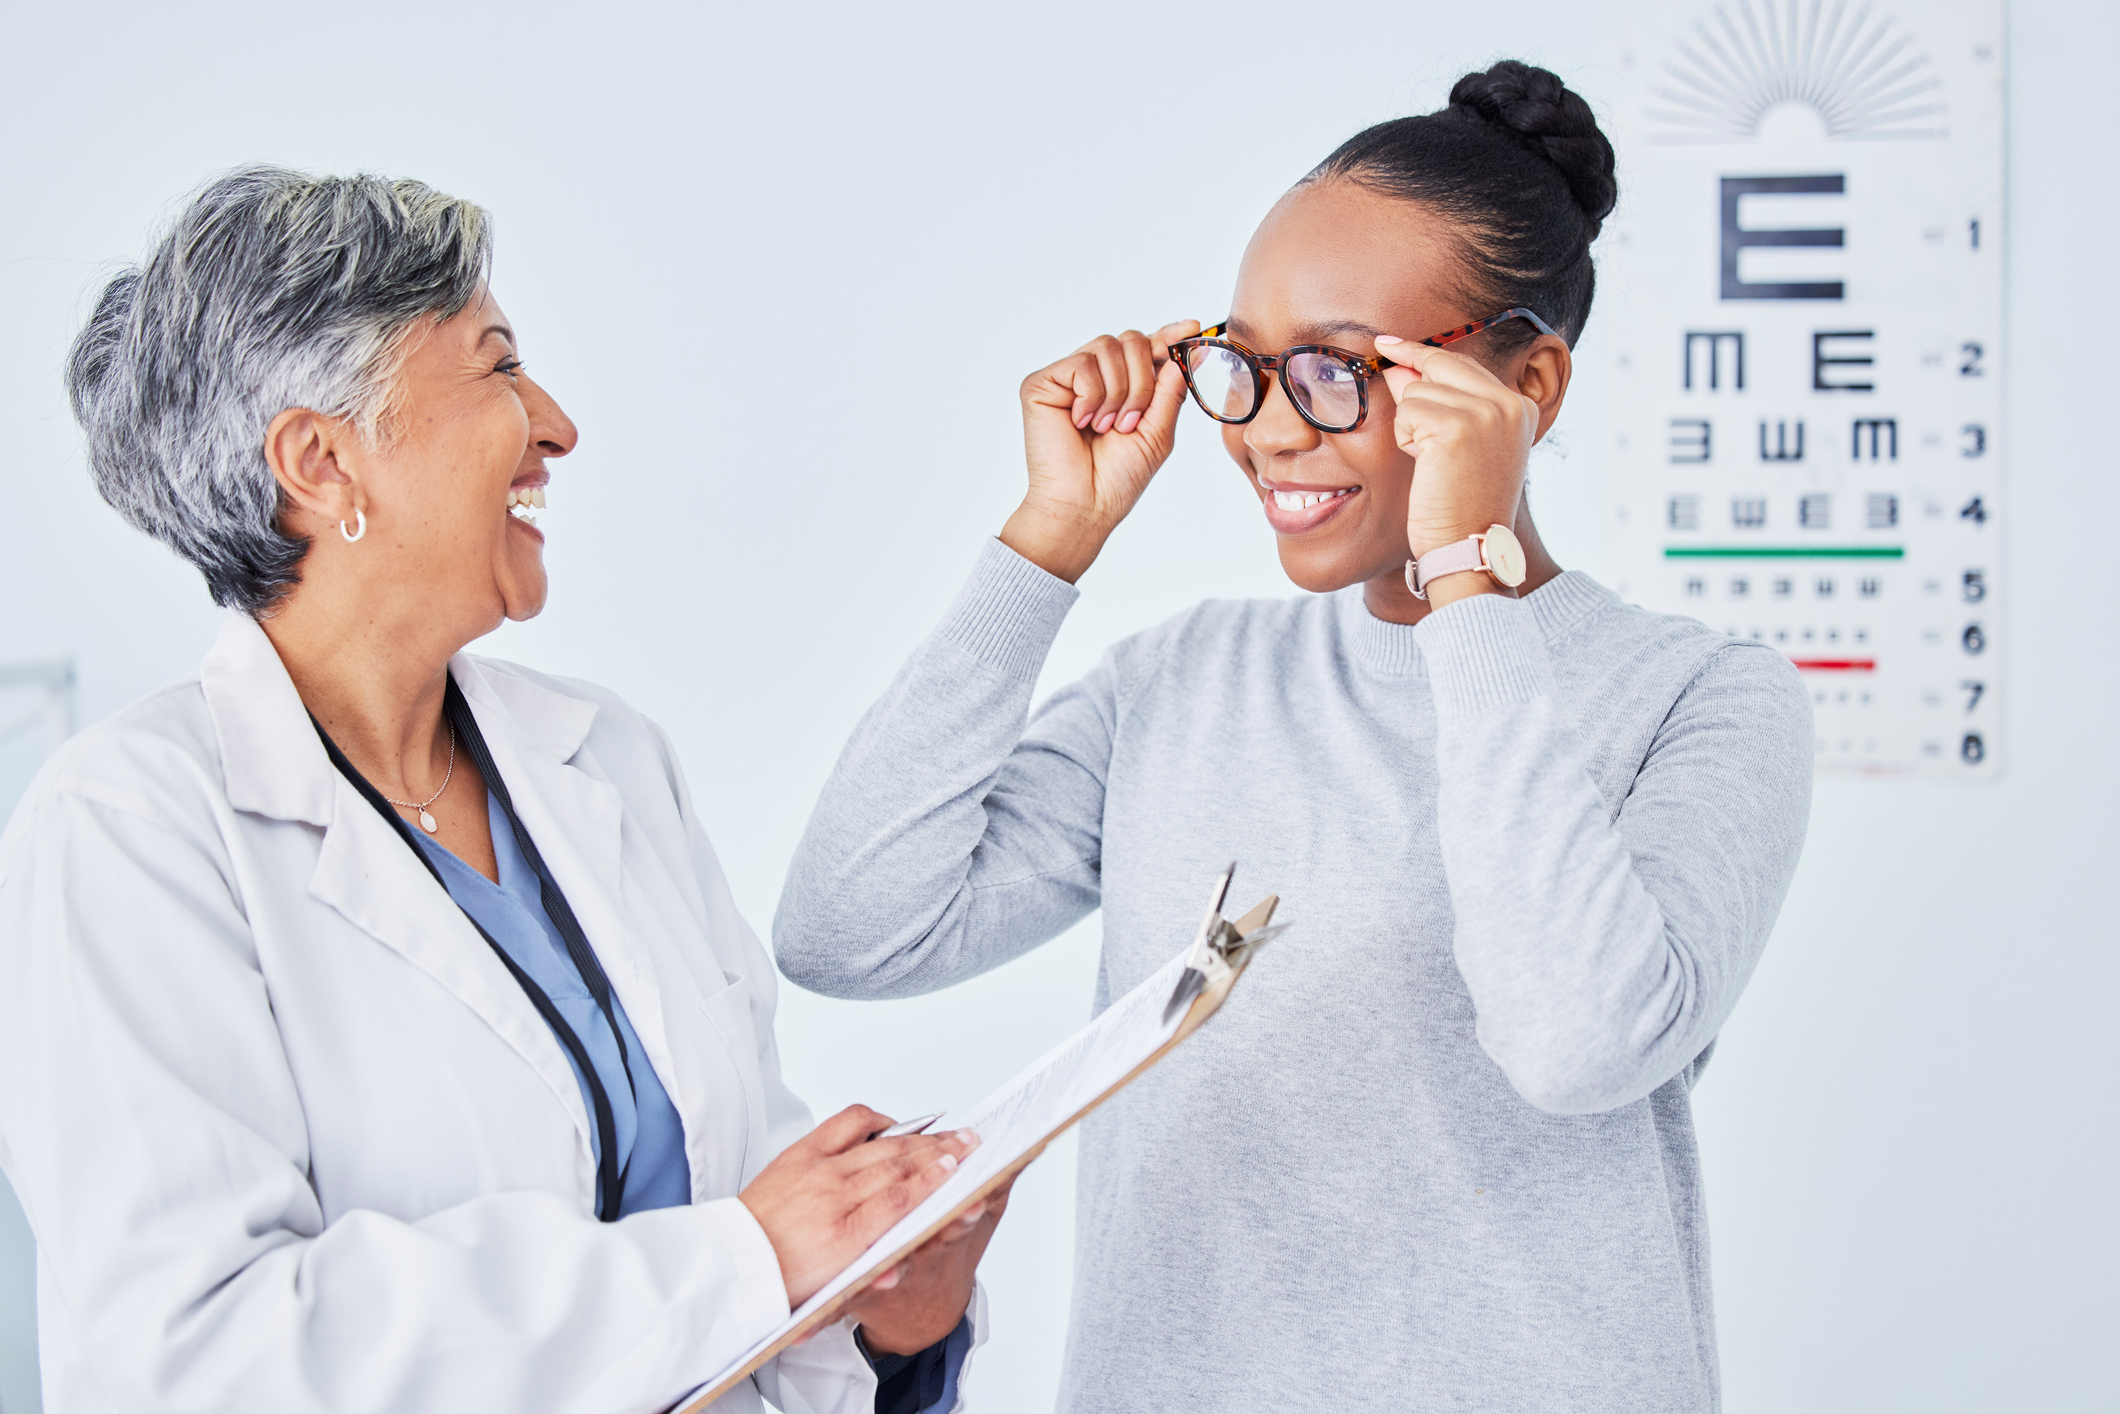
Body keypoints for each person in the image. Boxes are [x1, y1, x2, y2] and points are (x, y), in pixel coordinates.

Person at [774, 61, 1814, 1413]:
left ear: (1527, 386)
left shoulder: (1703, 698)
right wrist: (1047, 546)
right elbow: (850, 930)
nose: (1266, 426)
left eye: (1336, 369)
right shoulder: (1185, 678)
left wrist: (1465, 585)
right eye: (1245, 365)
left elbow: (1576, 1045)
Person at [0, 167, 1003, 1414]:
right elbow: (207, 1355)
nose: (556, 423)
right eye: (496, 366)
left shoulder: (610, 763)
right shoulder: (127, 832)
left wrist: (884, 1317)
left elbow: (763, 1243)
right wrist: (743, 1260)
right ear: (321, 460)